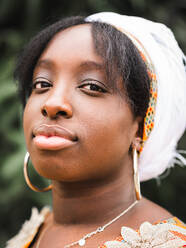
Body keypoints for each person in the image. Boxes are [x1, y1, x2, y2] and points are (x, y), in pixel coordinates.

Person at [6, 12, 186, 248]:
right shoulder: (34, 230)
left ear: (140, 127)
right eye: (42, 84)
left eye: (91, 86)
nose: (52, 103)